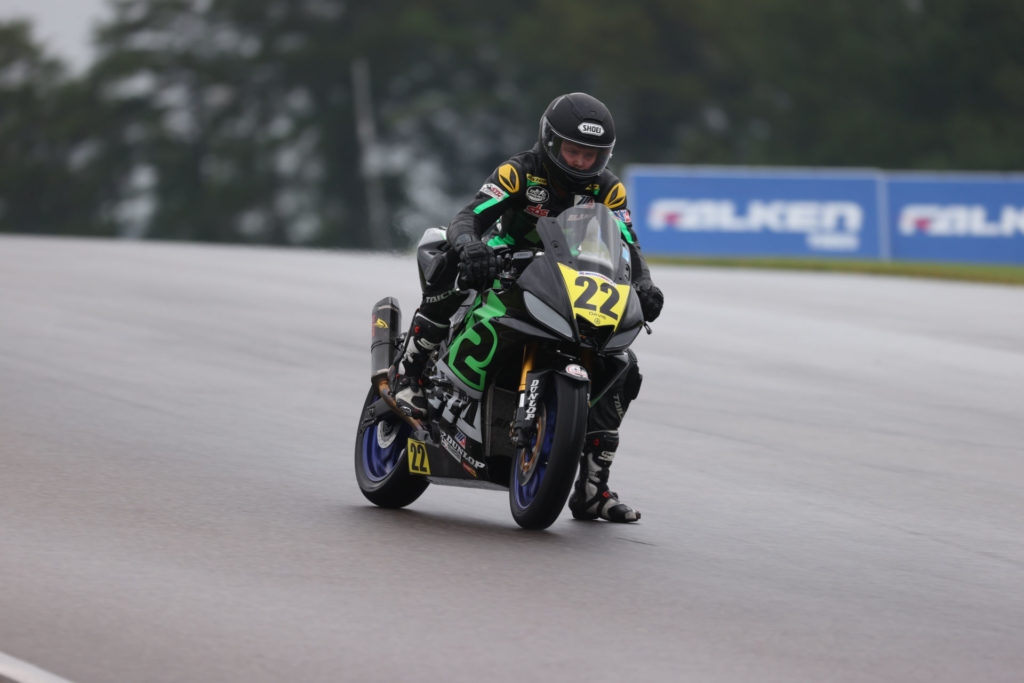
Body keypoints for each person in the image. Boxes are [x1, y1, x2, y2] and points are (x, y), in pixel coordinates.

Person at [389, 92, 664, 523]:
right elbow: (468, 216)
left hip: (570, 277)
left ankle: (592, 488)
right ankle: (409, 370)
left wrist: (645, 284)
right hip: (507, 257)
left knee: (620, 364)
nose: (580, 163)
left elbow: (630, 245)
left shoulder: (609, 188)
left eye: (591, 156)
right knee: (450, 260)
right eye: (573, 152)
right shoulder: (519, 171)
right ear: (551, 143)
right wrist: (470, 246)